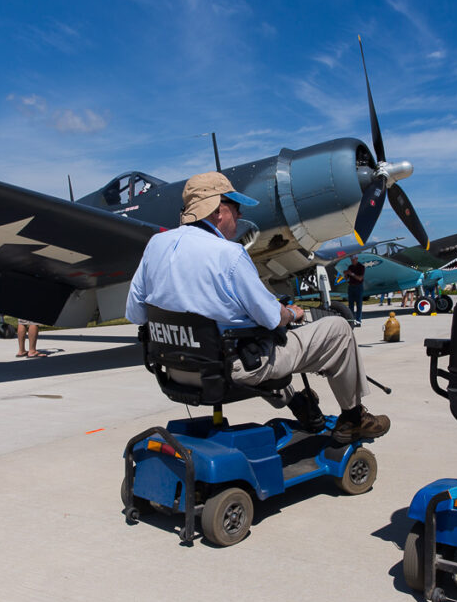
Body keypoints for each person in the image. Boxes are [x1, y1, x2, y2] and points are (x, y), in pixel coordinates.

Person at [125, 171, 390, 442]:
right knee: (337, 329)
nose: (239, 217)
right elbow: (272, 318)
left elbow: (135, 313)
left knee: (254, 345)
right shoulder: (230, 254)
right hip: (231, 369)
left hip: (175, 370)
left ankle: (299, 404)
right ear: (218, 210)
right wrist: (291, 312)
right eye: (236, 209)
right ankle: (354, 418)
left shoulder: (155, 245)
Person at [343, 254, 365, 325]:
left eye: (353, 259)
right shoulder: (350, 267)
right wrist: (345, 274)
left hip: (358, 287)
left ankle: (358, 320)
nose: (352, 261)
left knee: (359, 304)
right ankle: (351, 320)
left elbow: (360, 278)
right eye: (351, 260)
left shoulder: (361, 267)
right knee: (350, 305)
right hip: (351, 286)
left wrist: (351, 274)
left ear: (356, 258)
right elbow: (347, 279)